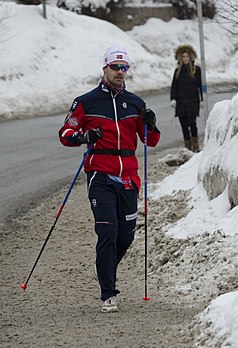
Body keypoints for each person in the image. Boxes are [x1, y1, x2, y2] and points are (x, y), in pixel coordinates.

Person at [58, 45, 160, 313]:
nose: (120, 72)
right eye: (115, 67)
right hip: (100, 174)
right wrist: (83, 137)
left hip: (128, 176)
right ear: (104, 69)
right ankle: (108, 293)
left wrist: (151, 122)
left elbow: (151, 140)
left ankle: (103, 268)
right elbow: (65, 133)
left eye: (124, 67)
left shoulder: (136, 103)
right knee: (107, 231)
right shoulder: (86, 101)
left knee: (126, 236)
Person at [170, 44, 203, 152]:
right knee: (183, 125)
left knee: (192, 123)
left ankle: (195, 146)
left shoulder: (196, 70)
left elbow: (200, 85)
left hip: (193, 102)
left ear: (191, 57)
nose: (185, 59)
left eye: (187, 56)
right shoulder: (177, 71)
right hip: (180, 103)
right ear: (180, 58)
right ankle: (187, 147)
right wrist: (173, 99)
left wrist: (202, 99)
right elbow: (174, 86)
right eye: (183, 57)